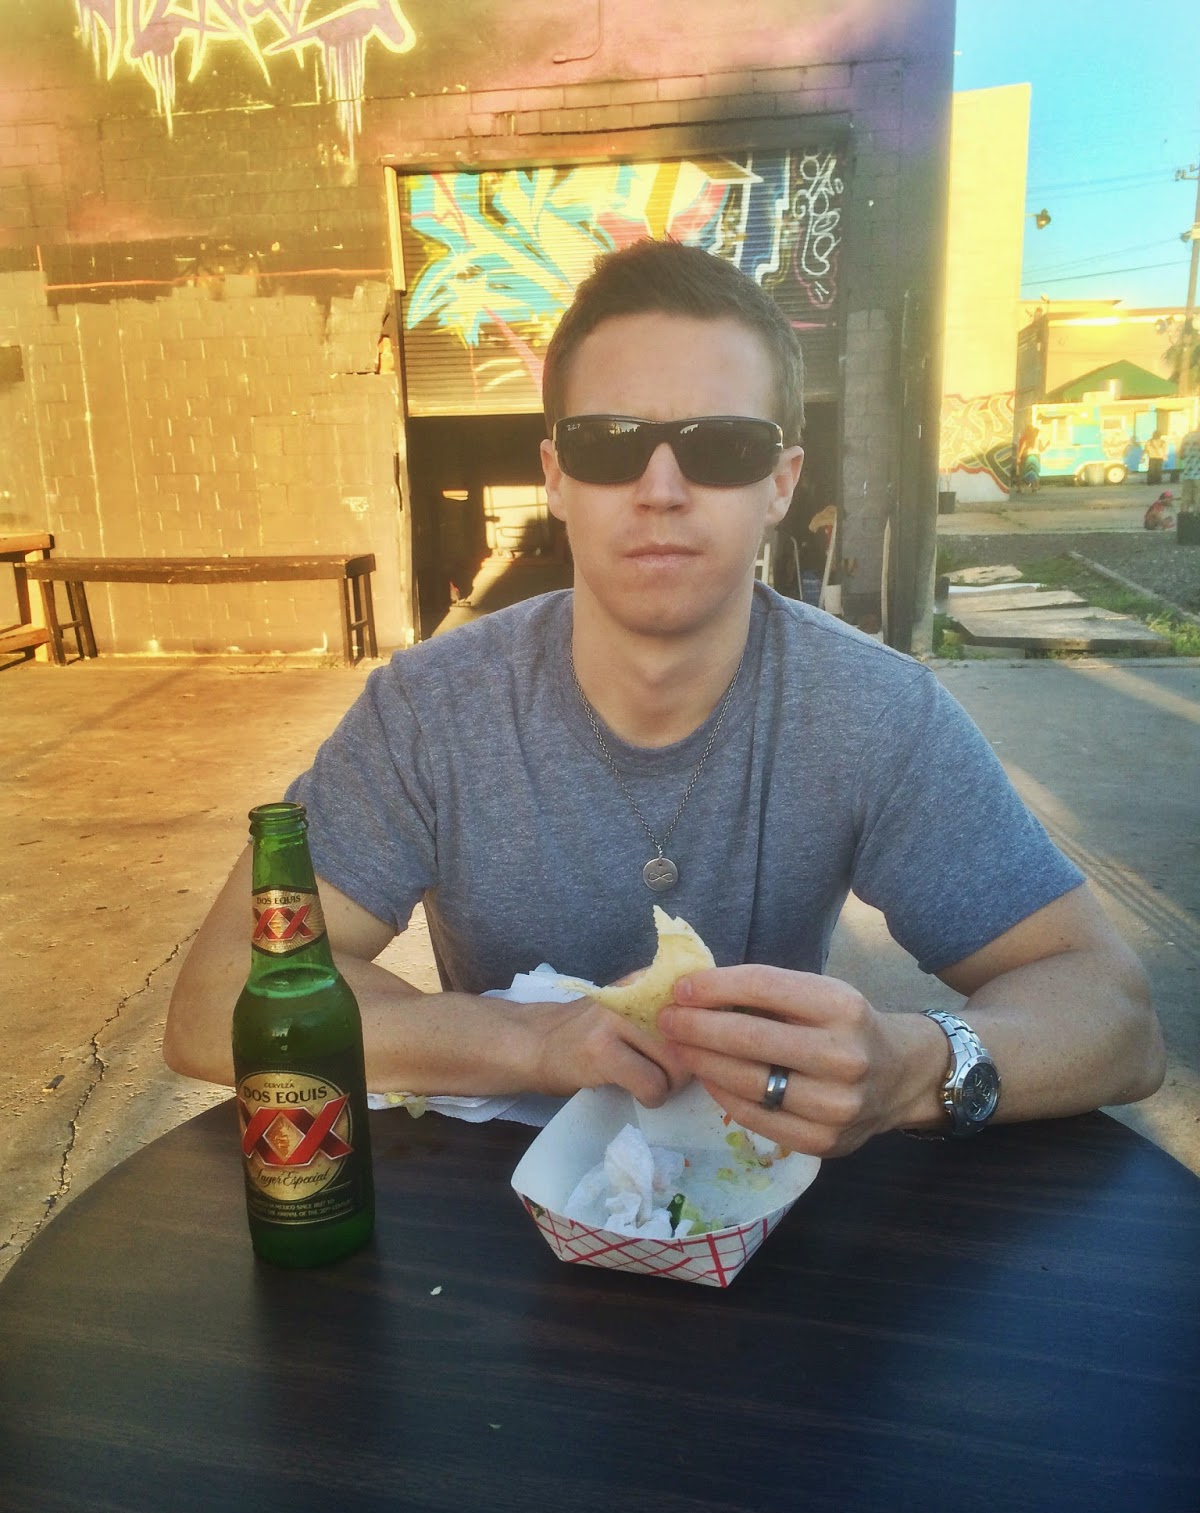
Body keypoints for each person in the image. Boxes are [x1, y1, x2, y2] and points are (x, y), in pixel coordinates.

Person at [165, 240, 1165, 1157]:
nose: (660, 487)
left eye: (721, 446)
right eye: (608, 442)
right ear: (557, 477)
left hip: (759, 1205)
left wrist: (914, 1068)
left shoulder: (871, 711)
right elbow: (219, 1004)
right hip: (489, 1218)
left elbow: (1118, 1019)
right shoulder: (430, 711)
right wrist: (534, 1040)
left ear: (781, 483)